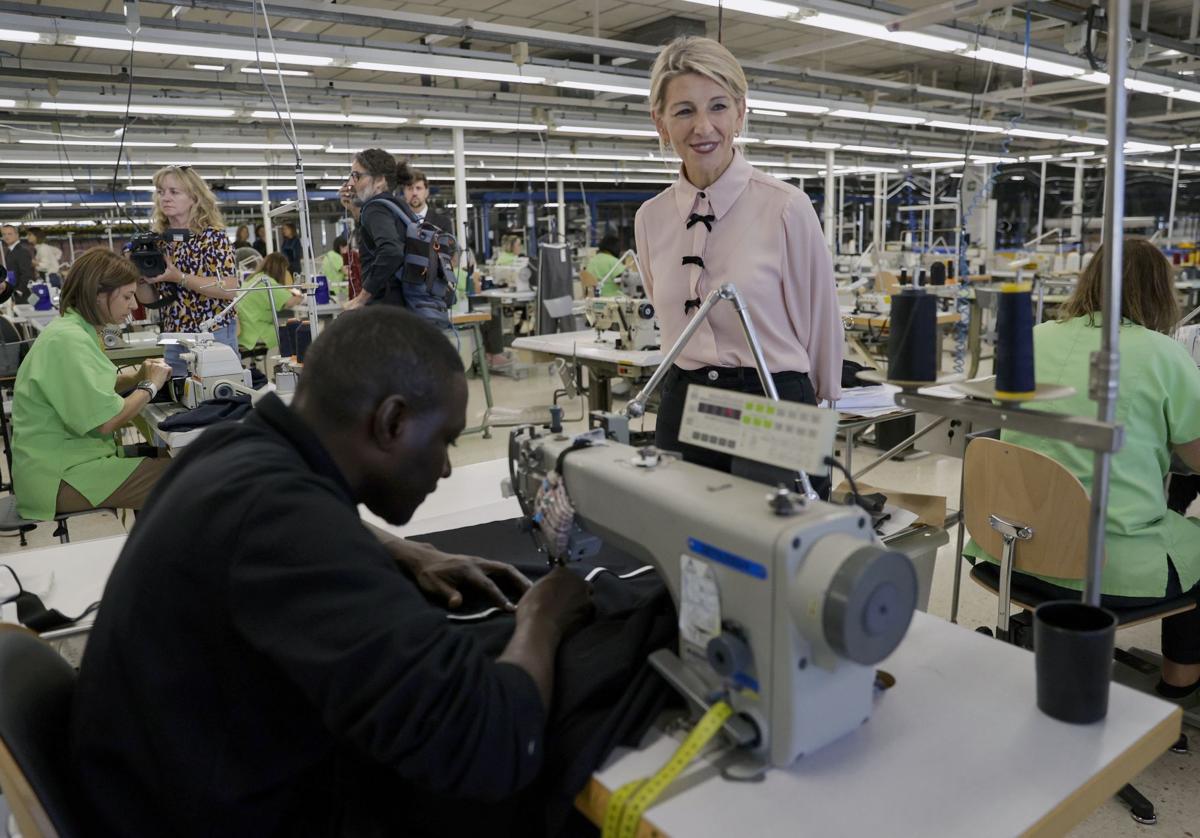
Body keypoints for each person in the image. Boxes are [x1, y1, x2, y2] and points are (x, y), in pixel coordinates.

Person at [71, 306, 593, 837]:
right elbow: (492, 744)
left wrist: (400, 549)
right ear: (391, 422)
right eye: (445, 441)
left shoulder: (231, 449)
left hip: (158, 789)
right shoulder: (294, 530)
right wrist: (543, 615)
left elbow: (285, 523)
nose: (444, 468)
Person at [966, 239, 1200, 700]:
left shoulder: (1033, 338)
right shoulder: (1163, 352)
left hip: (1009, 550)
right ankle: (1180, 687)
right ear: (1161, 292)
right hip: (1101, 569)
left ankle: (1039, 627)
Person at [634, 36, 843, 477]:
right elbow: (668, 312)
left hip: (768, 398)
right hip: (685, 397)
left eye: (718, 106)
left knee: (772, 540)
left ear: (741, 112)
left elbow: (821, 315)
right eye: (684, 110)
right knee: (679, 537)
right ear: (660, 121)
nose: (703, 127)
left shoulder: (785, 206)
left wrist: (824, 403)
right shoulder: (650, 218)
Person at [12, 248, 173, 521]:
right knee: (189, 476)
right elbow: (106, 421)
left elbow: (92, 388)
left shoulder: (75, 330)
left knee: (165, 461)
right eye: (126, 296)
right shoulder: (68, 340)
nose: (134, 305)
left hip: (63, 464)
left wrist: (135, 378)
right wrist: (150, 387)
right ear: (99, 295)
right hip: (60, 477)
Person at [135, 165, 239, 378]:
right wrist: (139, 278)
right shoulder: (158, 241)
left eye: (174, 192)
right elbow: (150, 300)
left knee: (218, 395)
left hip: (212, 335)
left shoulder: (213, 237)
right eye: (161, 192)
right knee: (180, 396)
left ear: (194, 197)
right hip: (175, 336)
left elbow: (229, 289)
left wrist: (179, 277)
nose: (166, 198)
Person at [341, 148, 451, 327]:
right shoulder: (397, 206)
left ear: (379, 181)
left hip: (386, 309)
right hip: (406, 307)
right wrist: (354, 210)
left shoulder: (374, 208)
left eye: (357, 175)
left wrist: (362, 298)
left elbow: (391, 251)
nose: (351, 183)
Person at [237, 252, 302, 353]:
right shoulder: (267, 282)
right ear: (280, 269)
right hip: (256, 333)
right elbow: (289, 302)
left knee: (285, 327)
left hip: (244, 331)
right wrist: (304, 297)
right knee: (297, 333)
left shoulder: (255, 278)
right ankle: (286, 365)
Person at [400, 167, 454, 232]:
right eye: (410, 188)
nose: (414, 193)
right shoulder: (398, 222)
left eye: (418, 188)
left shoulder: (443, 223)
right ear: (404, 192)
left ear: (426, 192)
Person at [1, 223, 34, 303]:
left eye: (10, 234)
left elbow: (27, 274)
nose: (6, 236)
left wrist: (19, 291)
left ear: (17, 235)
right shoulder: (9, 251)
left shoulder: (22, 251)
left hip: (22, 295)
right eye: (4, 234)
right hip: (13, 292)